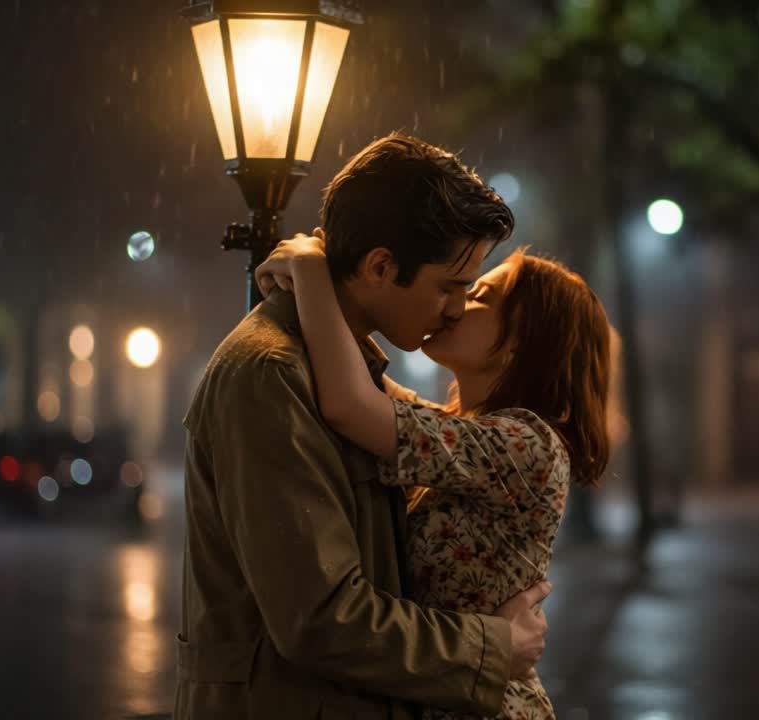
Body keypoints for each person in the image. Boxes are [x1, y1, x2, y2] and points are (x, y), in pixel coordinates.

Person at [174, 133, 552, 719]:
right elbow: (322, 617)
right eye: (449, 287)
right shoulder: (272, 375)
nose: (455, 307)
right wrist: (491, 646)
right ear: (380, 266)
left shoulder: (343, 370)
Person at [256, 234, 614, 718]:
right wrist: (332, 281)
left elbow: (350, 403)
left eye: (481, 297)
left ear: (525, 342)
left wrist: (313, 271)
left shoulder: (526, 446)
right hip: (449, 692)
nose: (457, 304)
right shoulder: (462, 429)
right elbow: (361, 382)